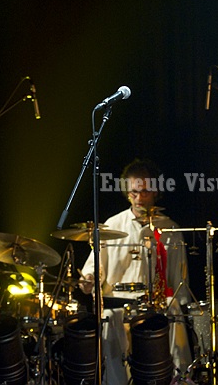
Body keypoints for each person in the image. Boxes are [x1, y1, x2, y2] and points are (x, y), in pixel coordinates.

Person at [78, 157, 192, 384]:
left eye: (145, 192)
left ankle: (176, 377)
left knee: (174, 314)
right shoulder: (112, 225)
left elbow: (180, 281)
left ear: (156, 191)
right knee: (111, 322)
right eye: (134, 193)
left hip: (155, 307)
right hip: (118, 306)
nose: (139, 198)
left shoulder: (170, 229)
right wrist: (89, 280)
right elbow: (93, 270)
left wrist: (177, 304)